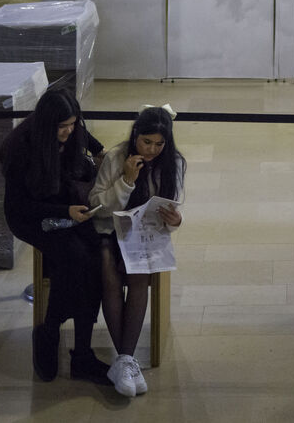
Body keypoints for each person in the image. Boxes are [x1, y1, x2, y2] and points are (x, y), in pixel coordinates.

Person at [0, 86, 109, 385]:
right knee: (75, 258)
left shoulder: (71, 131)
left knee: (94, 256)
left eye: (73, 124)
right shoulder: (20, 148)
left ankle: (80, 351)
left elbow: (84, 135)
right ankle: (51, 331)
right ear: (47, 124)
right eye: (62, 126)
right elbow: (18, 206)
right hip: (32, 216)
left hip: (65, 204)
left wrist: (101, 153)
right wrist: (65, 212)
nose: (69, 131)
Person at [89, 104, 185, 397]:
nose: (152, 149)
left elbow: (169, 208)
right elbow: (96, 206)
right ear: (135, 136)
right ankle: (126, 361)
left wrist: (175, 221)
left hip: (144, 236)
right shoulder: (117, 157)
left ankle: (124, 360)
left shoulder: (172, 163)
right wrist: (126, 181)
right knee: (109, 275)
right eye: (146, 142)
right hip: (108, 231)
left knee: (139, 276)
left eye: (159, 144)